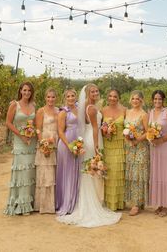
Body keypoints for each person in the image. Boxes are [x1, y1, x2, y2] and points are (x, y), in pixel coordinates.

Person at [57, 84, 121, 227]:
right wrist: (97, 146)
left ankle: (89, 200)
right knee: (91, 171)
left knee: (88, 172)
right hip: (92, 139)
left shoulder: (85, 105)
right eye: (92, 91)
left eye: (97, 91)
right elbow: (94, 127)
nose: (95, 93)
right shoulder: (91, 108)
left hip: (88, 138)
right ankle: (90, 203)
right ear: (87, 93)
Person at [4, 81, 36, 215]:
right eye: (24, 90)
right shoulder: (14, 105)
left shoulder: (34, 105)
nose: (27, 93)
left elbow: (35, 123)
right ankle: (19, 204)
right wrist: (21, 135)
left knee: (30, 172)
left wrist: (33, 133)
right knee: (21, 171)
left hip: (31, 142)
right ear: (20, 91)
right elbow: (8, 123)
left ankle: (29, 203)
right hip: (20, 141)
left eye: (29, 90)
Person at [149, 90, 167, 217]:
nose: (157, 101)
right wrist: (152, 138)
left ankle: (166, 206)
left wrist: (161, 140)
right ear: (152, 100)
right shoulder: (150, 113)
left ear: (163, 100)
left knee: (166, 175)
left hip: (165, 148)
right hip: (155, 149)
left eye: (159, 99)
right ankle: (159, 203)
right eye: (155, 99)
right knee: (157, 175)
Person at [124, 90, 149, 215]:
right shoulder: (127, 112)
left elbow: (148, 132)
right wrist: (128, 138)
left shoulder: (144, 114)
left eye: (138, 99)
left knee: (137, 175)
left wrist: (137, 139)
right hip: (128, 147)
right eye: (133, 98)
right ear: (130, 100)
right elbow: (125, 129)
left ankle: (136, 204)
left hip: (140, 148)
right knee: (130, 174)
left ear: (141, 101)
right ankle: (133, 201)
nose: (135, 101)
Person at [34, 88, 59, 214]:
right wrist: (43, 145)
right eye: (48, 97)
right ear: (45, 98)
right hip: (45, 143)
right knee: (45, 173)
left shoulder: (59, 110)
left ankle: (53, 204)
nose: (51, 99)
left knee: (54, 173)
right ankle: (43, 205)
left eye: (53, 97)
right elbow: (38, 129)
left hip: (56, 144)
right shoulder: (41, 111)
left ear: (56, 98)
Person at [55, 89, 80, 215]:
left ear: (76, 96)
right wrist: (69, 146)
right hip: (66, 144)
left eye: (73, 95)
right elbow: (60, 131)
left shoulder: (79, 108)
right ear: (65, 98)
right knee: (67, 172)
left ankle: (75, 201)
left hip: (78, 142)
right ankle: (65, 202)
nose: (71, 98)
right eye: (68, 96)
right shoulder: (63, 112)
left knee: (76, 172)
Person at [102, 89, 126, 211]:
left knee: (118, 174)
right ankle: (109, 203)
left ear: (118, 98)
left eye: (115, 96)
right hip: (108, 146)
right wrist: (105, 131)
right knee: (109, 174)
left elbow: (129, 127)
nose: (112, 98)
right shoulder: (103, 110)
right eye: (110, 96)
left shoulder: (124, 110)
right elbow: (100, 128)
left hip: (120, 146)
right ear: (107, 97)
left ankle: (119, 203)